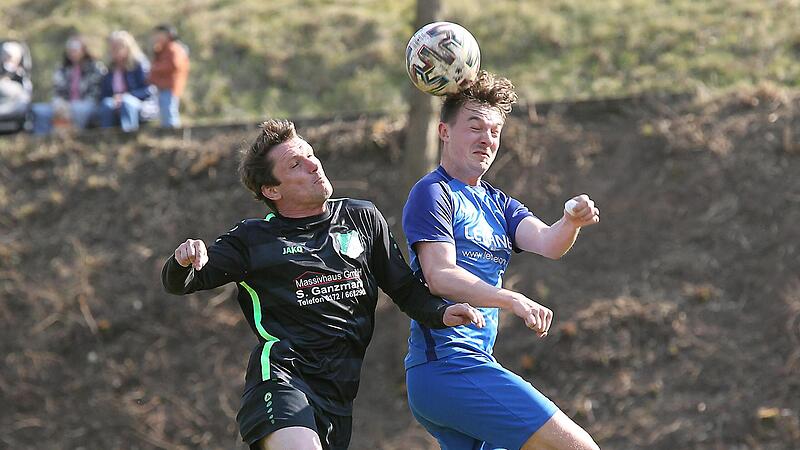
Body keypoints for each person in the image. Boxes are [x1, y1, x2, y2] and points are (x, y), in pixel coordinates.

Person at [161, 119, 484, 450]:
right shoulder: (253, 240)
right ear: (272, 190)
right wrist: (183, 260)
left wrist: (441, 312)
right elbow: (182, 281)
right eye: (295, 164)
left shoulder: (362, 218)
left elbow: (404, 288)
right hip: (283, 380)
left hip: (338, 395)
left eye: (310, 154)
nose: (313, 165)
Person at [402, 70, 602, 450]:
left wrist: (570, 222)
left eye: (494, 131)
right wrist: (511, 299)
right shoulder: (433, 192)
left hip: (469, 365)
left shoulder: (499, 203)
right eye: (475, 127)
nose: (487, 139)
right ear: (444, 131)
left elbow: (548, 243)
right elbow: (439, 275)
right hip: (447, 367)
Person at [31, 36, 106, 135]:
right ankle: (42, 140)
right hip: (64, 105)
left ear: (84, 50)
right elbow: (57, 92)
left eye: (75, 49)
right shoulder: (62, 69)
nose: (72, 52)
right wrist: (60, 104)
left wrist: (71, 106)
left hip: (88, 105)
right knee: (39, 110)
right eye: (70, 50)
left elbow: (95, 93)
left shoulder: (96, 67)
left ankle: (73, 137)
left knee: (77, 109)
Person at [97, 30, 153, 132]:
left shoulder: (139, 64)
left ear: (127, 47)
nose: (114, 50)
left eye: (118, 47)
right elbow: (103, 94)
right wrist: (115, 99)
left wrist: (126, 96)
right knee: (106, 104)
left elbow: (148, 90)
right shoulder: (109, 69)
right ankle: (107, 137)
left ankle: (128, 135)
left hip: (139, 103)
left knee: (127, 102)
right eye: (112, 47)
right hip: (115, 102)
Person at [148, 23, 189, 128]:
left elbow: (174, 65)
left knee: (169, 111)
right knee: (164, 111)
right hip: (163, 86)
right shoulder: (162, 49)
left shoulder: (174, 48)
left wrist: (156, 68)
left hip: (170, 86)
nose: (156, 37)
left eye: (159, 34)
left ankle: (172, 133)